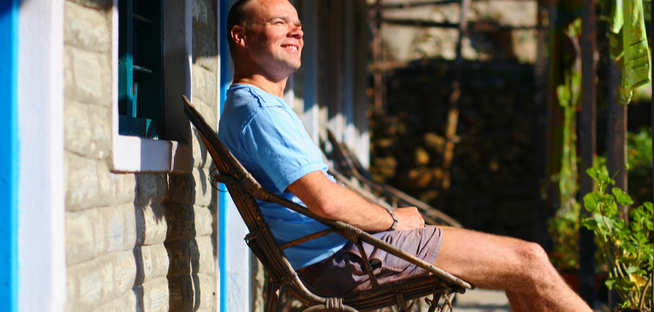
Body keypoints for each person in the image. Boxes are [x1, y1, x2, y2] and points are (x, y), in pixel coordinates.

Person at [219, 0, 592, 311]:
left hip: (342, 252)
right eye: (280, 23)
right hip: (349, 257)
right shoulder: (258, 111)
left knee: (519, 267)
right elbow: (326, 201)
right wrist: (392, 220)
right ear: (241, 36)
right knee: (528, 260)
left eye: (298, 24)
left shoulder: (253, 106)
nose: (297, 32)